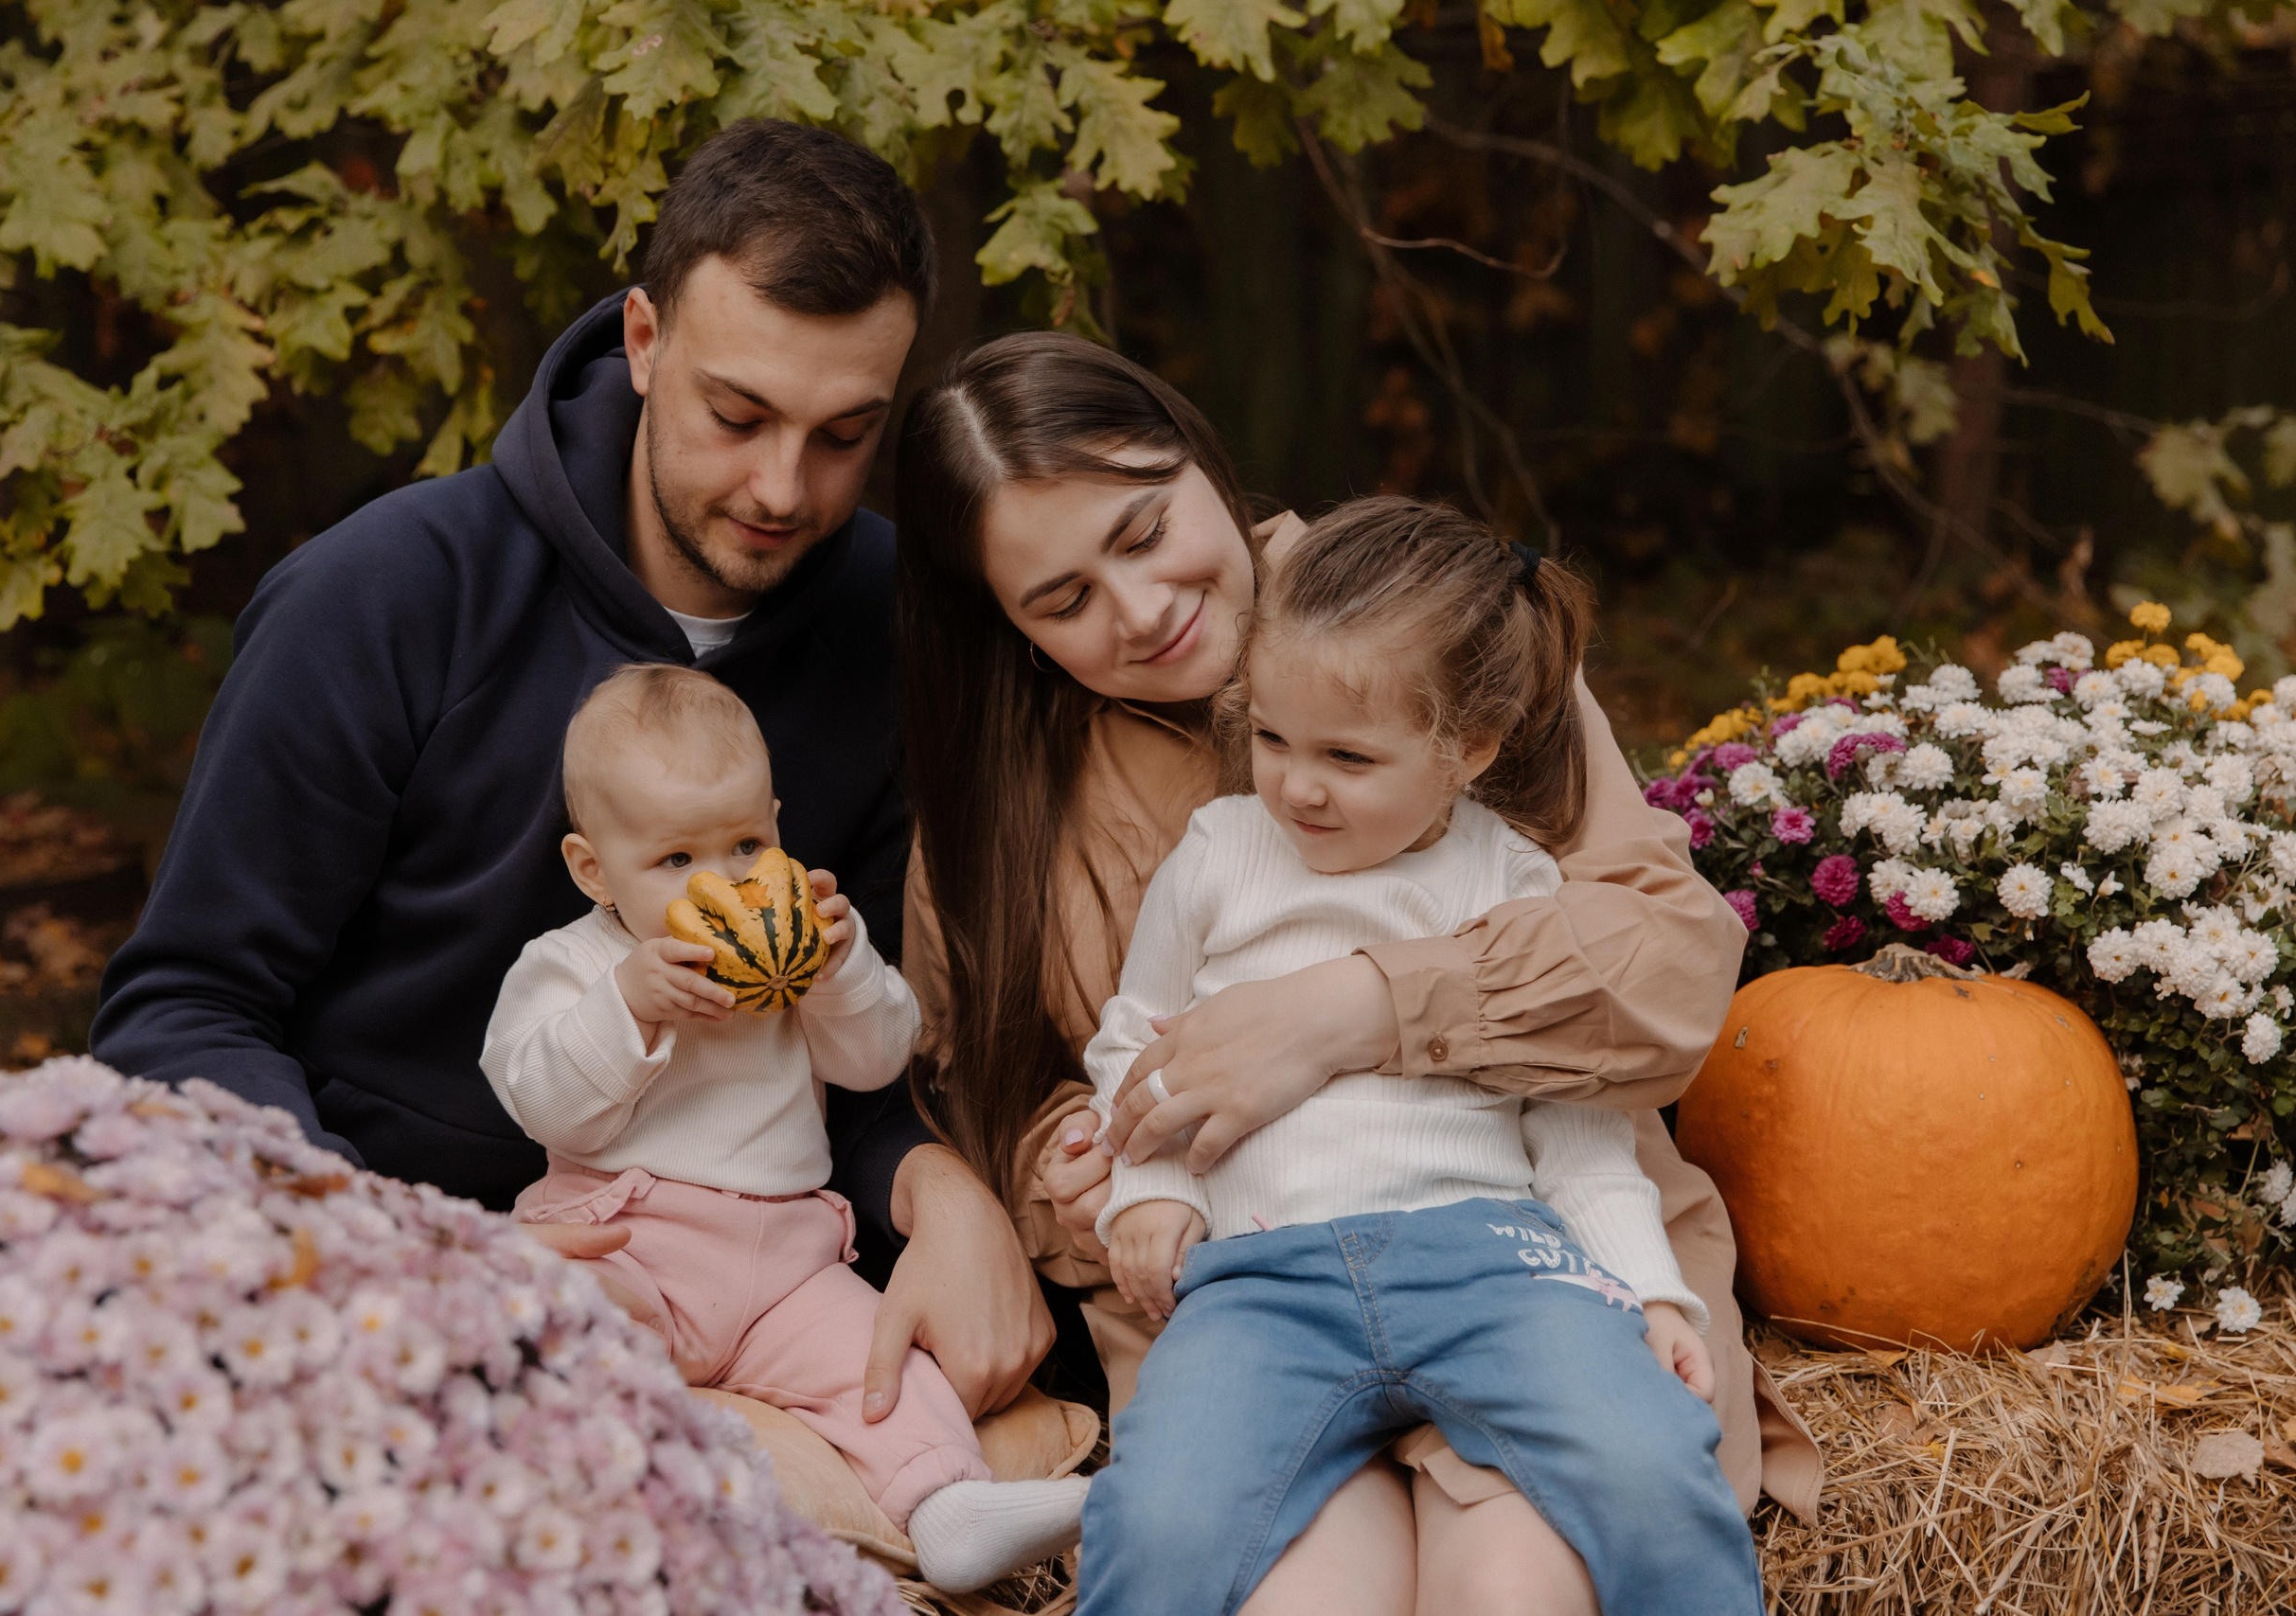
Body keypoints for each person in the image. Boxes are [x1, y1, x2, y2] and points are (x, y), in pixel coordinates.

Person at [92, 119, 1051, 1427]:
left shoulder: (893, 627)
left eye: (845, 434)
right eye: (738, 413)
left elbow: (859, 1042)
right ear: (645, 345)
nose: (785, 486)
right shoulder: (382, 597)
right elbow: (183, 1007)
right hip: (385, 1276)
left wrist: (945, 1189)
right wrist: (405, 1261)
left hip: (753, 1299)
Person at [895, 331, 1819, 1615]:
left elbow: (1665, 968)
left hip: (1527, 1263)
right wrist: (1087, 1161)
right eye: (1062, 601)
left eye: (1148, 528)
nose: (1142, 606)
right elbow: (1005, 1085)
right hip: (1239, 1309)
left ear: (1202, 464)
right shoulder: (998, 804)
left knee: (1515, 1593)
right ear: (1003, 624)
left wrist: (1360, 1009)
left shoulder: (1415, 615)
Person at [1076, 499, 1757, 1615]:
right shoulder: (1218, 855)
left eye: (1347, 756)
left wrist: (1651, 1290)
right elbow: (1136, 1036)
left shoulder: (1509, 878)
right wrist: (1144, 1188)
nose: (1297, 786)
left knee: (1648, 1462)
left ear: (1466, 752)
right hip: (1259, 1280)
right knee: (1159, 1522)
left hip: (1492, 1264)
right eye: (1273, 741)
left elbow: (1575, 1125)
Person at [483, 666, 1088, 1592]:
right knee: (572, 1316)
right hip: (635, 1239)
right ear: (591, 868)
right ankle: (593, 1503)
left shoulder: (794, 945)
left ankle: (948, 1507)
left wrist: (843, 973)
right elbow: (539, 1097)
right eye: (674, 862)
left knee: (880, 1366)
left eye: (744, 844)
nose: (720, 882)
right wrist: (629, 1007)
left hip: (786, 1264)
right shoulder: (568, 966)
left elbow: (877, 1059)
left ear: (774, 821)